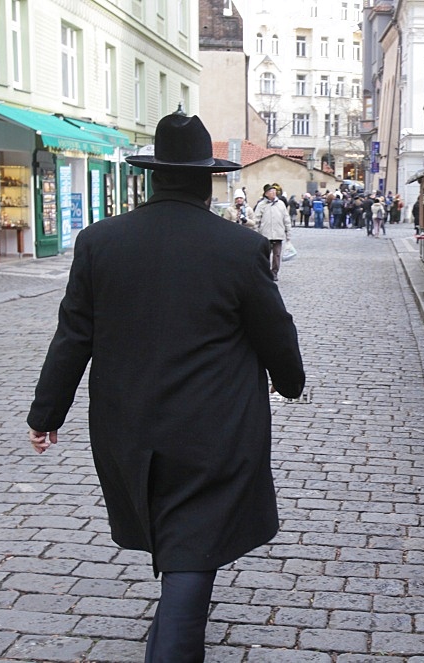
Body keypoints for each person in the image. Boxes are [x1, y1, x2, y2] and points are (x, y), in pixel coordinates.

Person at [26, 112, 305, 663]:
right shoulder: (236, 247)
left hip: (127, 423)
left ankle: (172, 621)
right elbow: (274, 329)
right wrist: (290, 382)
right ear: (207, 180)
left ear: (154, 176)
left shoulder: (100, 241)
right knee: (193, 546)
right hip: (214, 424)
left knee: (176, 532)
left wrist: (45, 415)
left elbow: (72, 336)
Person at [253, 182, 293, 281]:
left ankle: (274, 272)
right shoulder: (261, 205)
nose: (273, 193)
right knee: (265, 255)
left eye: (274, 191)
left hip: (278, 234)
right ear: (266, 194)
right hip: (265, 234)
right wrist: (256, 232)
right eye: (271, 191)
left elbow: (286, 219)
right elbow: (256, 219)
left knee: (277, 255)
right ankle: (265, 272)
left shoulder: (281, 204)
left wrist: (288, 234)